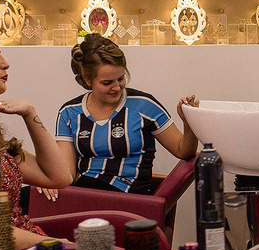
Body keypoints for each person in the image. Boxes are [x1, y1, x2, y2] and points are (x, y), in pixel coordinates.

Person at [55, 35, 199, 194]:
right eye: (107, 83)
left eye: (120, 78)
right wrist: (47, 183)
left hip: (129, 196)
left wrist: (189, 121)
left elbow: (182, 151)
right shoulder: (69, 112)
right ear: (88, 80)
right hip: (85, 192)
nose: (117, 87)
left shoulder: (144, 105)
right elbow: (66, 175)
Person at [0, 27, 73, 249]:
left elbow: (59, 177)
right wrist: (56, 245)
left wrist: (30, 113)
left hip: (29, 245)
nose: (5, 63)